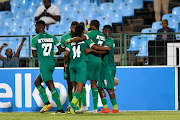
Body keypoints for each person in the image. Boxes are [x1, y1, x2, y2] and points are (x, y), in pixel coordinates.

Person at [64, 24, 110, 114]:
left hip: (72, 65)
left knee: (74, 87)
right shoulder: (85, 40)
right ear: (82, 32)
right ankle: (72, 106)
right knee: (80, 88)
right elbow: (95, 47)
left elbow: (66, 54)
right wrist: (106, 48)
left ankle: (75, 108)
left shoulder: (71, 42)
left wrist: (66, 63)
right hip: (81, 65)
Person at [31, 20, 65, 114]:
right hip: (51, 64)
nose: (35, 29)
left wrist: (40, 52)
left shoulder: (35, 39)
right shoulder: (52, 37)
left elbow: (34, 55)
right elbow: (61, 50)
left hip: (44, 65)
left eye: (35, 27)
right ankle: (46, 103)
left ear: (38, 27)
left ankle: (60, 108)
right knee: (37, 82)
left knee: (50, 85)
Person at [85, 25, 119, 113]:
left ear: (106, 31)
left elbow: (105, 51)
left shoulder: (110, 40)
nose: (102, 32)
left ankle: (115, 108)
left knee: (109, 88)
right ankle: (105, 108)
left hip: (108, 67)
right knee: (99, 87)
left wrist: (92, 50)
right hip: (102, 67)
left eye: (103, 30)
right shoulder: (105, 40)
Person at [59, 21, 78, 111]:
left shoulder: (80, 37)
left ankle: (78, 106)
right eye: (73, 28)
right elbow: (62, 50)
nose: (74, 30)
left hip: (77, 62)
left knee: (78, 85)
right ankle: (72, 105)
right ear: (70, 28)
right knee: (70, 85)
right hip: (69, 64)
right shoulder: (64, 38)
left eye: (76, 28)